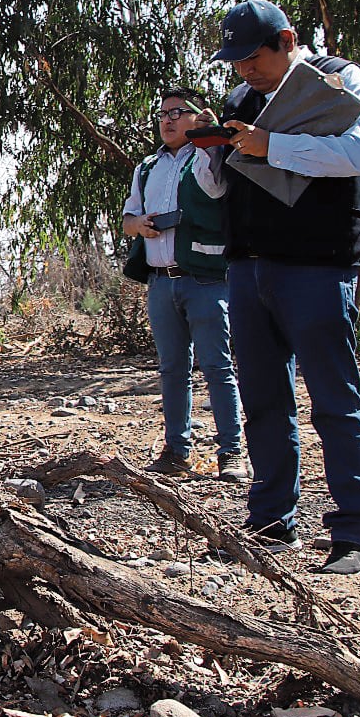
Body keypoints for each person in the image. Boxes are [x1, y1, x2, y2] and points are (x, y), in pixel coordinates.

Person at [212, 0, 360, 576]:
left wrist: (272, 146)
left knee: (334, 401)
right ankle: (269, 523)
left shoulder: (339, 79)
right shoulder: (240, 100)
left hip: (317, 266)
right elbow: (222, 189)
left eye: (253, 57)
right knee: (262, 402)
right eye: (235, 61)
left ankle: (353, 535)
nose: (244, 71)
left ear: (288, 39)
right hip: (248, 267)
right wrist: (211, 152)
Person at [121, 88, 249, 483]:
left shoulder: (210, 156)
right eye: (162, 113)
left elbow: (216, 191)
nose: (168, 120)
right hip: (161, 283)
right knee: (173, 369)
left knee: (217, 367)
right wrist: (139, 225)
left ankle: (232, 452)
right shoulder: (147, 167)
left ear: (198, 116)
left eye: (178, 112)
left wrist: (211, 141)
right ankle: (177, 450)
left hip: (206, 281)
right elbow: (128, 218)